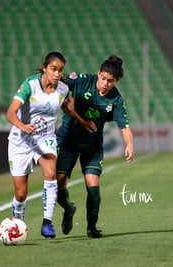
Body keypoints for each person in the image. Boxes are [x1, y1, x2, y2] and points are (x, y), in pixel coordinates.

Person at [56, 55, 134, 238]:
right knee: (58, 185)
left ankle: (92, 227)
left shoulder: (115, 100)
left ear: (116, 81)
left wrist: (129, 144)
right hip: (68, 140)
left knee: (93, 185)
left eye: (111, 81)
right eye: (103, 78)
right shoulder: (82, 81)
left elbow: (125, 126)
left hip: (92, 145)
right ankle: (68, 208)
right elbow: (58, 78)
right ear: (98, 74)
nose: (106, 84)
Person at [6, 51, 76, 239]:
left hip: (45, 138)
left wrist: (83, 122)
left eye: (60, 70)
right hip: (21, 140)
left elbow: (68, 107)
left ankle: (47, 223)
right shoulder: (30, 84)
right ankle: (17, 226)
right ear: (44, 68)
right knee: (20, 194)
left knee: (51, 172)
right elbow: (10, 113)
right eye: (53, 69)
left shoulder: (62, 89)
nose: (57, 74)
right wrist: (23, 126)